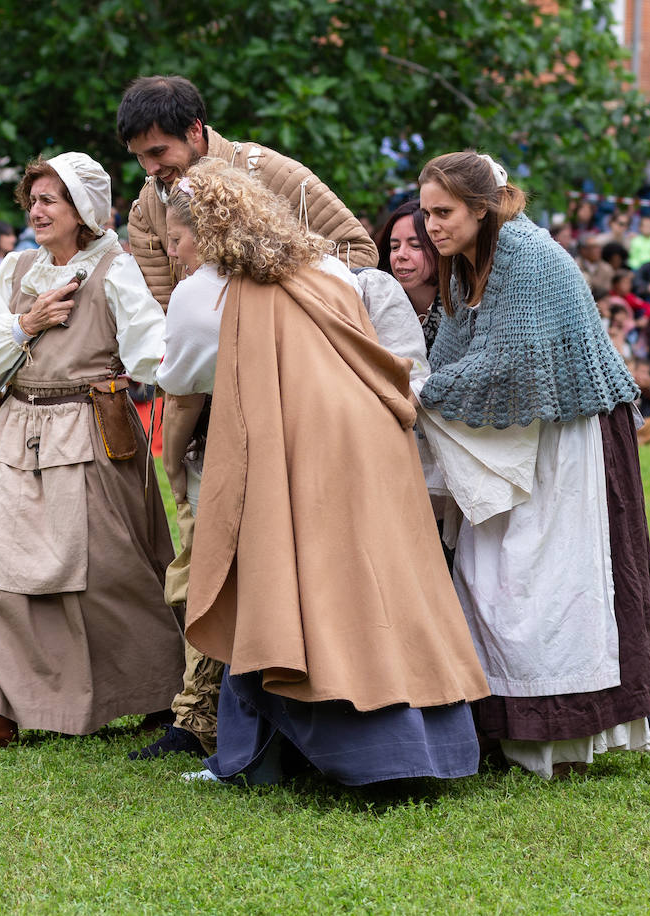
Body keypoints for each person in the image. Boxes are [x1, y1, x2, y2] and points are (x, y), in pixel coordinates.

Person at [150, 161, 488, 786]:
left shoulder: (204, 291)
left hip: (296, 448)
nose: (173, 254)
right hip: (375, 439)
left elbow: (180, 388)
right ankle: (427, 748)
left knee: (284, 591)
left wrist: (172, 464)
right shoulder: (327, 266)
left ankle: (350, 755)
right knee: (380, 589)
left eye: (174, 240)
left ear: (200, 234)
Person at [0, 152, 183, 751]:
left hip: (93, 428)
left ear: (82, 210)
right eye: (33, 199)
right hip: (16, 430)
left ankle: (158, 691)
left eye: (50, 200)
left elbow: (152, 353)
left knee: (108, 573)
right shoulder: (16, 272)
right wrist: (26, 322)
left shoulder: (115, 270)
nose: (35, 210)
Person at [416, 151, 650, 778]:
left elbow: (510, 361)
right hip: (520, 433)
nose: (432, 226)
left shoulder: (524, 255)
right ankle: (507, 724)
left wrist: (417, 392)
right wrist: (414, 386)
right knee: (492, 571)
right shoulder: (462, 264)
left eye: (443, 213)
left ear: (481, 207)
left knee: (552, 577)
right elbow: (450, 353)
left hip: (571, 430)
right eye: (426, 213)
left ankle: (563, 728)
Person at [118, 75, 377, 310]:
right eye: (140, 157)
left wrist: (278, 309)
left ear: (194, 130)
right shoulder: (145, 212)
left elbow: (359, 251)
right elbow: (164, 311)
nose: (150, 169)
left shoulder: (269, 172)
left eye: (158, 152)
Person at [379, 198, 445, 352]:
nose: (400, 255)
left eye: (415, 246)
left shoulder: (462, 308)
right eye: (394, 247)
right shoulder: (380, 305)